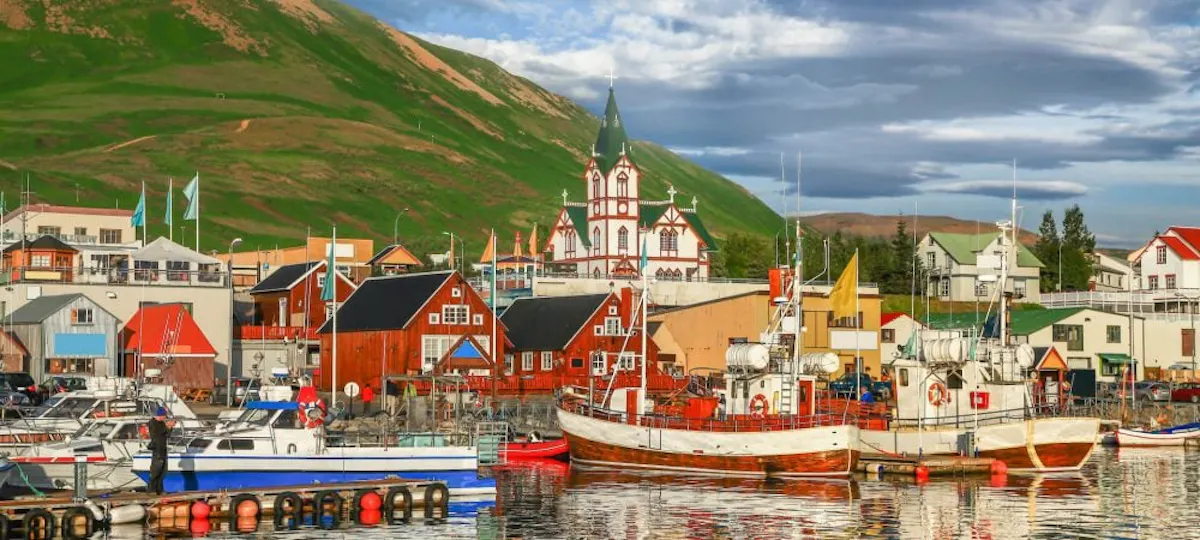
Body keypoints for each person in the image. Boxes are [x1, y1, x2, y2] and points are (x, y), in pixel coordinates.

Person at [147, 407, 175, 495]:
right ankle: (152, 490)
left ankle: (160, 489)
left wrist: (170, 428)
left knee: (163, 471)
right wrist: (167, 426)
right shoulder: (153, 423)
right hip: (157, 449)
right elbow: (158, 434)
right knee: (156, 470)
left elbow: (166, 435)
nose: (165, 417)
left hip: (163, 448)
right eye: (164, 415)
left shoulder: (162, 423)